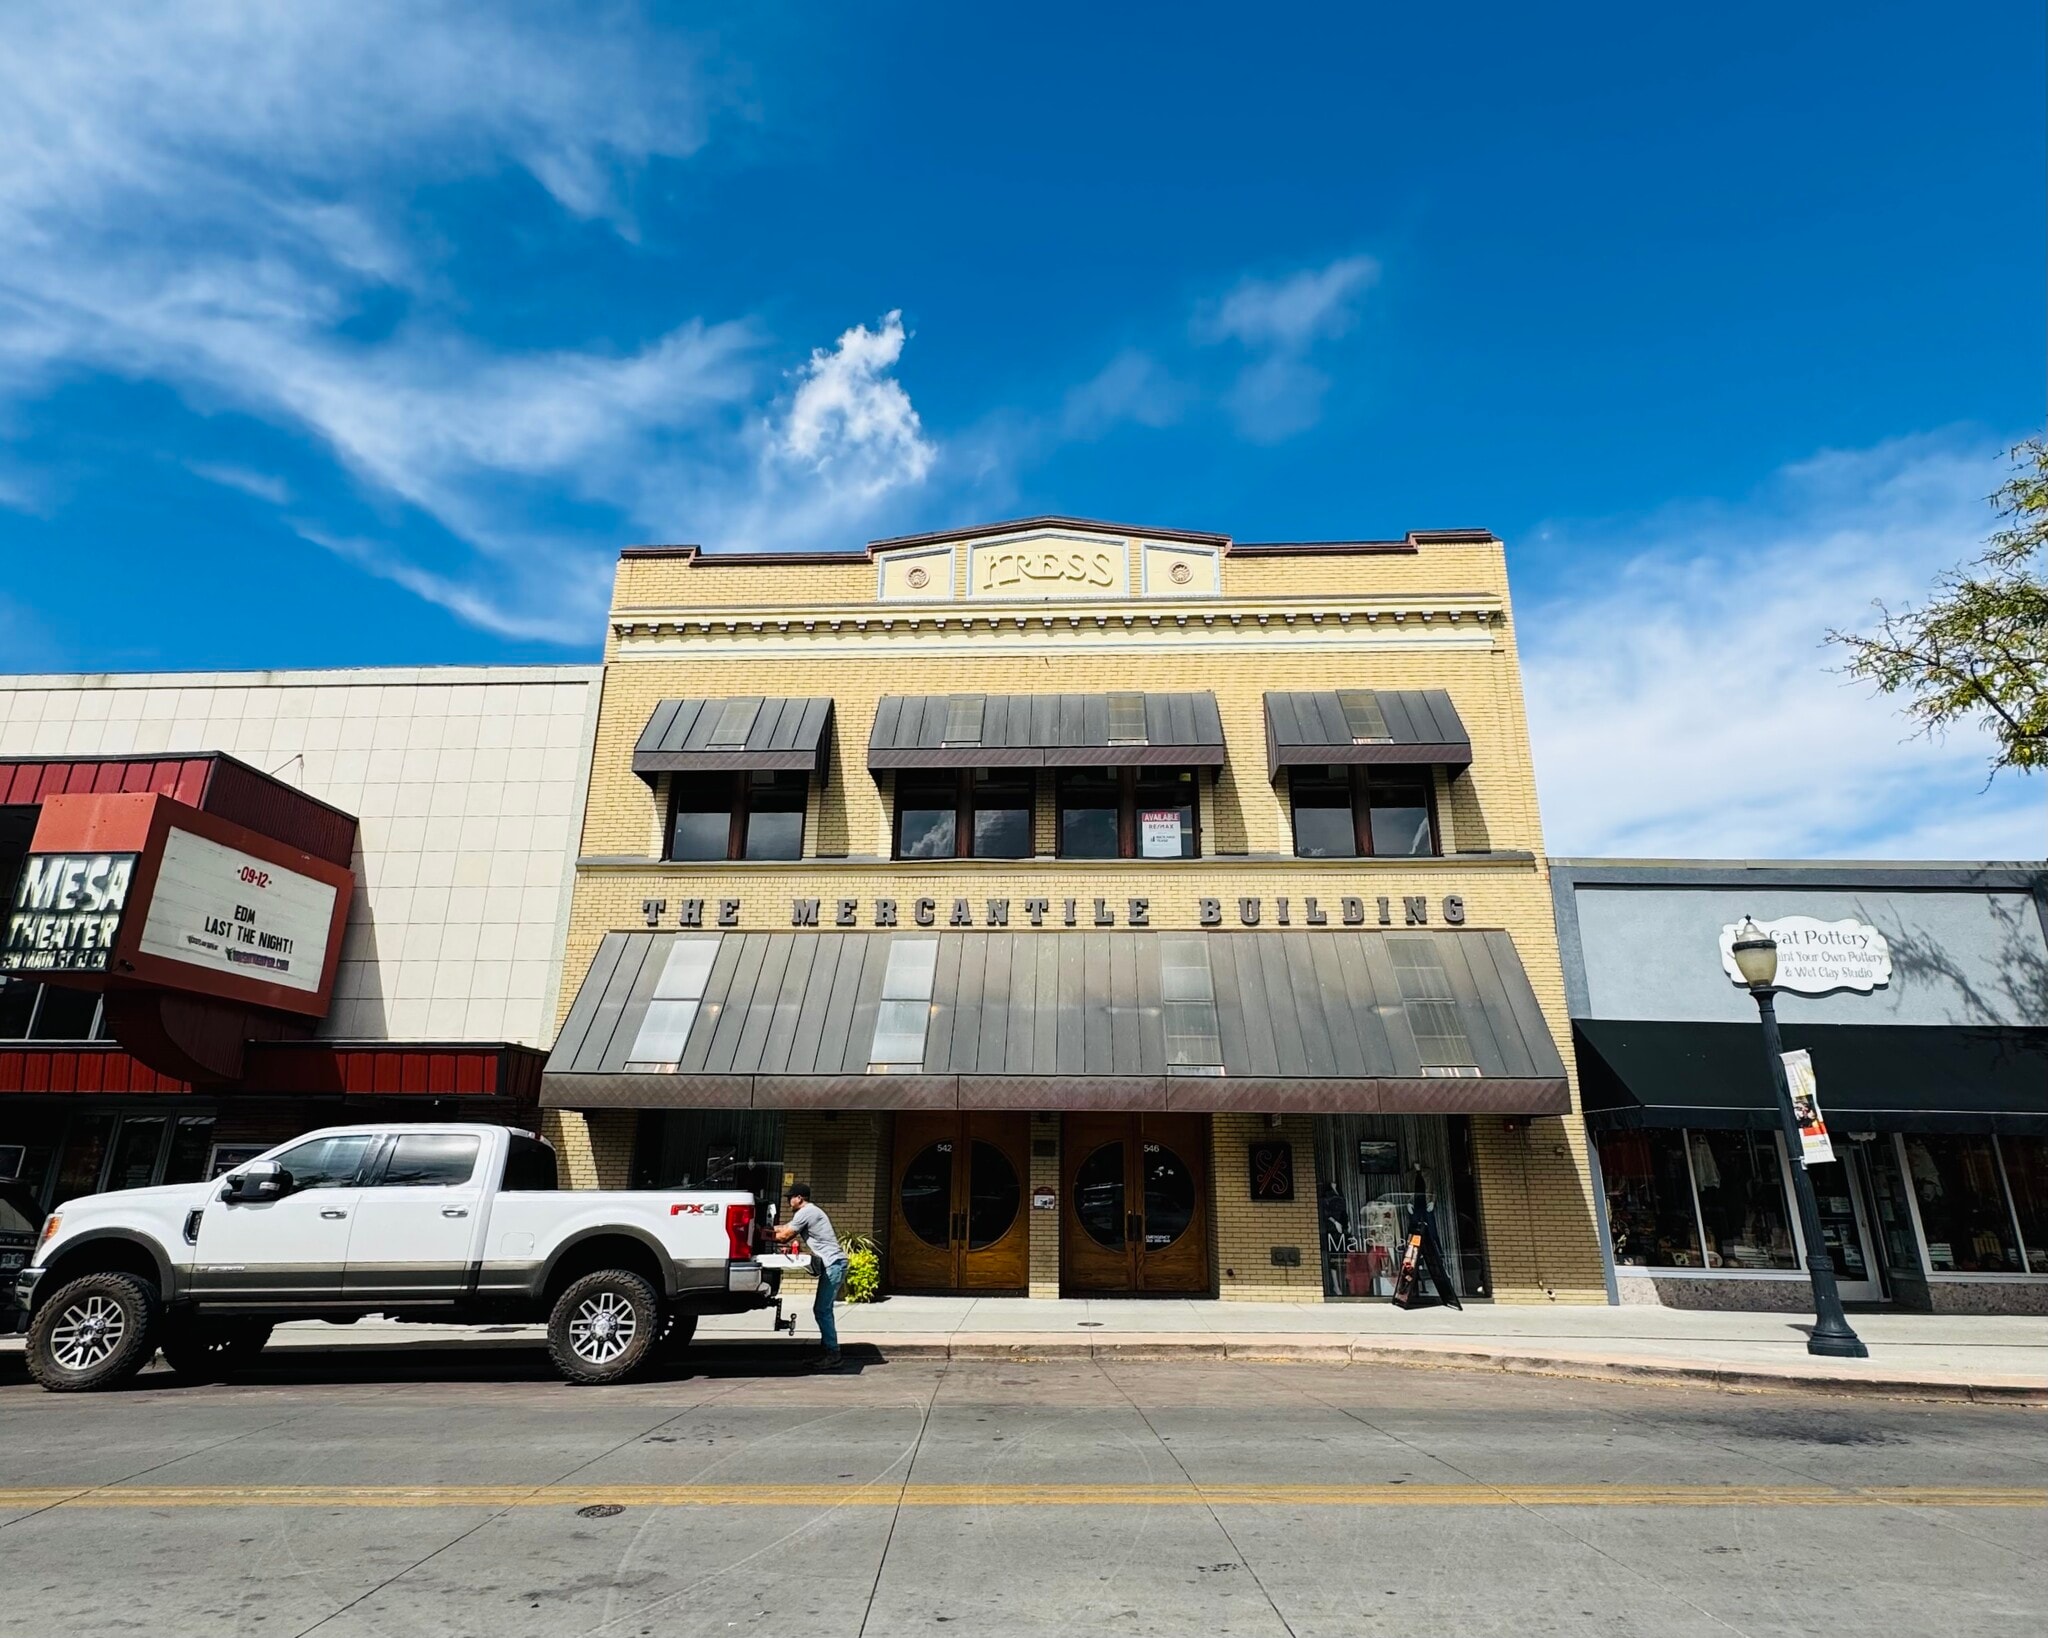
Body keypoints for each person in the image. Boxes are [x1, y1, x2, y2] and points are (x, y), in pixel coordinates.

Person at [774, 1182, 848, 1369]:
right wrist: (768, 1228)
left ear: (800, 1198)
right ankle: (827, 1351)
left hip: (834, 1264)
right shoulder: (809, 1212)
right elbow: (783, 1228)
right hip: (833, 1264)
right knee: (823, 1310)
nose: (789, 1201)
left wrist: (757, 1233)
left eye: (791, 1197)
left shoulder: (806, 1212)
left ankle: (833, 1354)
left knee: (822, 1310)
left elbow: (784, 1236)